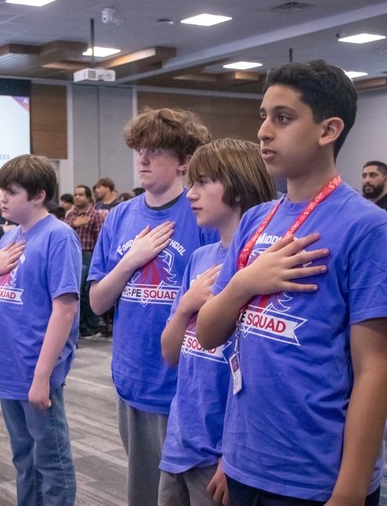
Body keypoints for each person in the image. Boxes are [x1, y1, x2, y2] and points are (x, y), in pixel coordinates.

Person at [196, 60, 387, 505]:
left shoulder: (368, 227)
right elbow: (210, 333)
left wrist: (348, 492)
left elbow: (374, 371)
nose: (264, 132)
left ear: (328, 129)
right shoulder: (256, 219)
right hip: (246, 460)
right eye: (263, 116)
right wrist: (244, 283)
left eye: (283, 118)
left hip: (316, 474)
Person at [88, 107, 215, 506]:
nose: (142, 159)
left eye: (155, 151)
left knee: (185, 494)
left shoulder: (202, 214)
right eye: (139, 150)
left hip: (182, 381)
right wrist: (131, 260)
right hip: (131, 376)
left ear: (184, 161)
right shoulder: (119, 217)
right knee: (143, 491)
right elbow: (96, 302)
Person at [159, 138, 276, 506]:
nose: (190, 194)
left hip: (225, 454)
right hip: (181, 440)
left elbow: (260, 376)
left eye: (203, 182)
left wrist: (233, 455)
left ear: (238, 188)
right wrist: (184, 307)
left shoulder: (262, 264)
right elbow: (170, 354)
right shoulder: (199, 257)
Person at [0, 154, 81, 506]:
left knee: (51, 461)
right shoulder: (9, 239)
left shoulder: (58, 236)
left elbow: (64, 310)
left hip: (35, 370)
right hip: (8, 369)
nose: (1, 198)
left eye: (11, 191)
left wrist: (42, 376)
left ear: (37, 195)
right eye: (1, 190)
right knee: (24, 460)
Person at [64, 184, 105, 338]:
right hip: (71, 255)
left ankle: (90, 326)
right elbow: (62, 230)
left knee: (87, 290)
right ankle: (77, 326)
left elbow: (100, 238)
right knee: (74, 291)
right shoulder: (70, 215)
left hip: (89, 254)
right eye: (75, 194)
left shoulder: (95, 215)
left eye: (81, 194)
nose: (77, 197)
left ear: (88, 198)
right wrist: (75, 224)